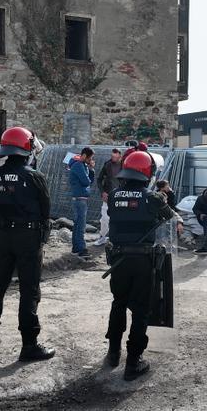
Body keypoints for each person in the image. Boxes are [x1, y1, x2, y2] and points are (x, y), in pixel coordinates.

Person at [0, 127, 55, 361]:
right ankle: (29, 345)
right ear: (27, 148)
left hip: (2, 238)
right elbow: (46, 210)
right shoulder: (34, 176)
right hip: (28, 239)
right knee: (29, 290)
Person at [104, 150, 174, 381]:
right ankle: (133, 362)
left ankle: (113, 353)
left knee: (118, 303)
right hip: (143, 261)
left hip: (118, 261)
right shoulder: (153, 198)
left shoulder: (114, 196)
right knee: (141, 310)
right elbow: (168, 215)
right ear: (148, 173)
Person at [68, 147, 95, 258]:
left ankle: (76, 248)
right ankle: (81, 249)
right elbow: (86, 181)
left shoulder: (82, 165)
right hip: (79, 199)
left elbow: (89, 181)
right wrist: (90, 170)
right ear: (84, 156)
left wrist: (90, 170)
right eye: (90, 158)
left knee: (78, 224)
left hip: (80, 198)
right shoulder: (78, 166)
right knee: (80, 225)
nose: (91, 160)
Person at [94, 148, 123, 246]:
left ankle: (116, 239)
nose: (113, 158)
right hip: (108, 196)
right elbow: (99, 179)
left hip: (120, 196)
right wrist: (103, 192)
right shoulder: (107, 165)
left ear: (120, 156)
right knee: (105, 218)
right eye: (112, 156)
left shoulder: (125, 165)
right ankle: (102, 237)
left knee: (119, 218)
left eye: (115, 157)